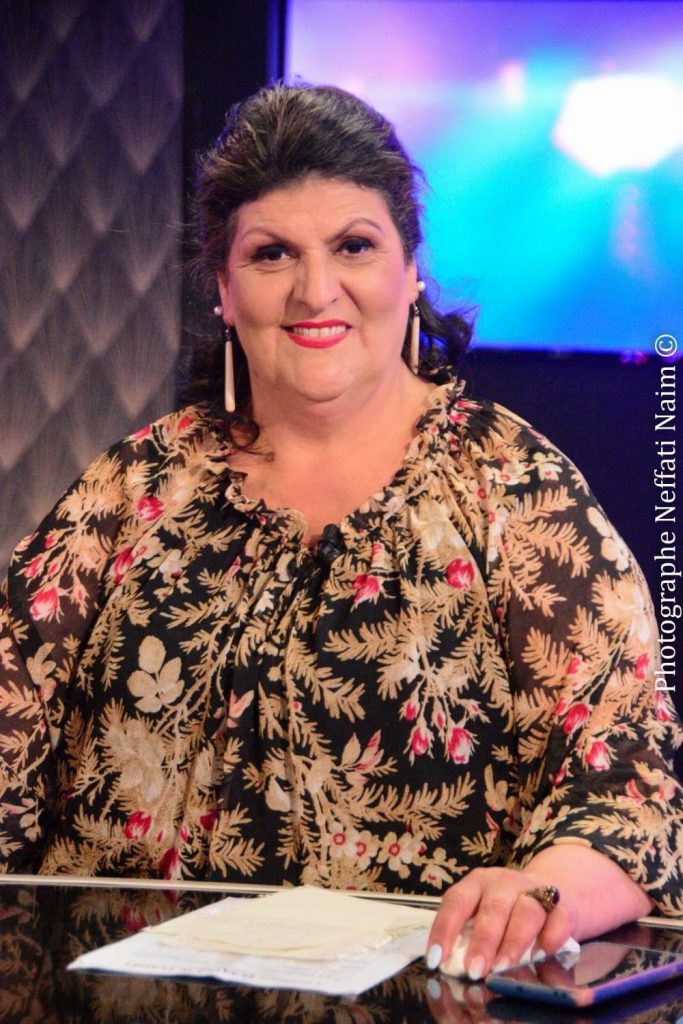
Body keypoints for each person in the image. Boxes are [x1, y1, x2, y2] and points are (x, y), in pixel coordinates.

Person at [0, 83, 681, 982]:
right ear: (223, 289)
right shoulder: (129, 493)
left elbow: (630, 786)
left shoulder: (514, 489)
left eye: (353, 246)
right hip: (133, 998)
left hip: (425, 1000)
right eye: (271, 253)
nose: (315, 290)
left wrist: (539, 889)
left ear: (409, 273)